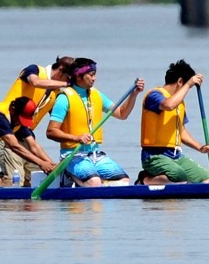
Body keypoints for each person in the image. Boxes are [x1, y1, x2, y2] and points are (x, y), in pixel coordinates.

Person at [46, 58, 145, 187]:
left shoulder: (97, 95)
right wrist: (76, 138)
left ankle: (92, 186)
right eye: (91, 75)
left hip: (95, 155)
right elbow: (51, 131)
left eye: (95, 75)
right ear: (78, 76)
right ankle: (69, 175)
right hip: (73, 156)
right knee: (94, 182)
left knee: (123, 182)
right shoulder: (64, 98)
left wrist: (134, 94)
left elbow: (122, 114)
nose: (94, 79)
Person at [0, 56, 74, 186]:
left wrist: (53, 164)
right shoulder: (34, 70)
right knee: (14, 182)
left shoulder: (55, 94)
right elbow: (36, 82)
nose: (68, 82)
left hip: (26, 137)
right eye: (68, 78)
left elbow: (59, 121)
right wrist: (67, 84)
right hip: (8, 134)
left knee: (39, 178)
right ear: (61, 71)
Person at [136, 59, 209, 185]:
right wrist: (189, 84)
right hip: (154, 156)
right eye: (186, 87)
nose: (187, 92)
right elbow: (168, 105)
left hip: (176, 156)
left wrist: (200, 148)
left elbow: (181, 131)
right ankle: (144, 179)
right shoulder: (155, 95)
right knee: (179, 177)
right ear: (180, 82)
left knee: (205, 178)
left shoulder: (180, 103)